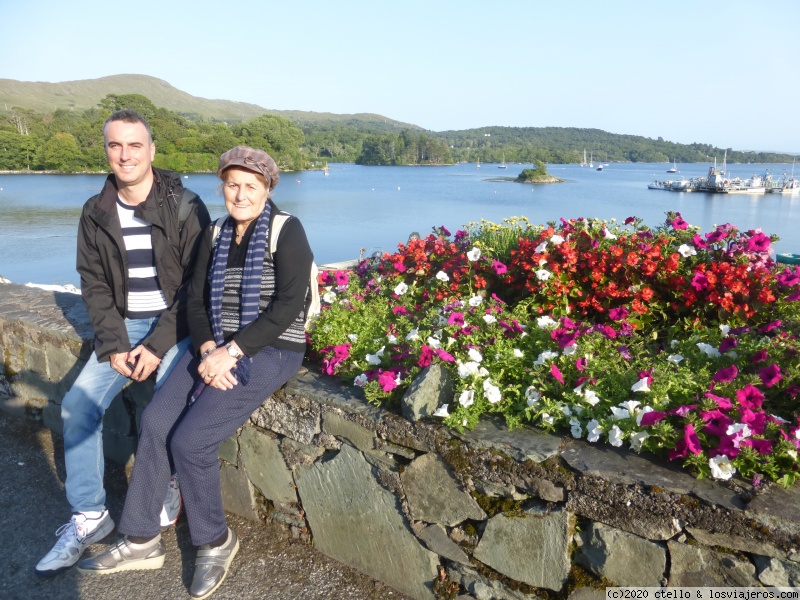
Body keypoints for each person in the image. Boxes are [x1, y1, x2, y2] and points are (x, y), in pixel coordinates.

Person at [76, 146, 314, 599]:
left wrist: (233, 353)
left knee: (192, 440)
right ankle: (142, 537)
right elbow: (197, 299)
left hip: (271, 349)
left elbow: (287, 307)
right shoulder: (217, 231)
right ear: (223, 186)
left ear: (267, 190)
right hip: (215, 342)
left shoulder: (287, 231)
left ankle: (215, 540)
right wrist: (208, 348)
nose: (240, 194)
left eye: (251, 186)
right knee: (155, 422)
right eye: (232, 184)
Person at [35, 109, 211, 576]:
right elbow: (92, 284)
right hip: (125, 325)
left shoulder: (186, 205)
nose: (125, 154)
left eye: (135, 145)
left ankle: (167, 481)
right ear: (107, 151)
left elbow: (198, 285)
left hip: (178, 323)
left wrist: (156, 346)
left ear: (152, 150)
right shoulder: (95, 213)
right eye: (116, 145)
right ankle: (90, 515)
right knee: (79, 405)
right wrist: (115, 345)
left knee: (165, 403)